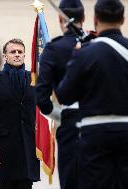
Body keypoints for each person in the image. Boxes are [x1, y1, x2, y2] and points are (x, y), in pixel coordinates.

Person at [55, 0, 128, 188]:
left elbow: (65, 95)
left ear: (95, 19)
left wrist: (75, 58)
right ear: (123, 19)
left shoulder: (85, 53)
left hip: (95, 132)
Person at [35, 0, 85, 188]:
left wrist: (61, 115)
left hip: (70, 122)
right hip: (99, 123)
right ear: (85, 18)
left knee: (70, 180)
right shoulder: (97, 43)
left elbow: (41, 97)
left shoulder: (54, 49)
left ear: (59, 19)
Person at [0, 39, 40, 189]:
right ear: (5, 56)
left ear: (24, 55)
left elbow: (43, 113)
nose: (17, 55)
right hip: (4, 149)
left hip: (29, 146)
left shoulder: (34, 80)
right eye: (12, 52)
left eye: (20, 52)